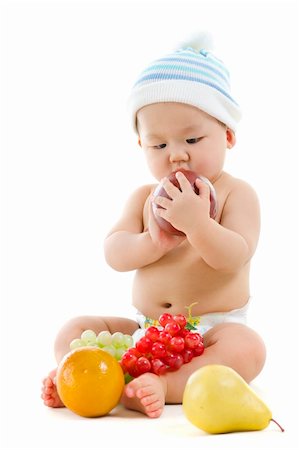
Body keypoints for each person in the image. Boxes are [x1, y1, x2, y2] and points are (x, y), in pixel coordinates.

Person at [41, 38, 266, 418]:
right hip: (148, 330)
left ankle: (166, 383)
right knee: (73, 329)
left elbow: (234, 257)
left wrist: (198, 224)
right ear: (140, 144)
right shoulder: (146, 196)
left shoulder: (235, 194)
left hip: (211, 331)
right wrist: (152, 242)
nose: (176, 154)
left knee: (249, 348)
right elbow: (114, 251)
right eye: (158, 144)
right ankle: (85, 378)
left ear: (227, 134)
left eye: (192, 139)